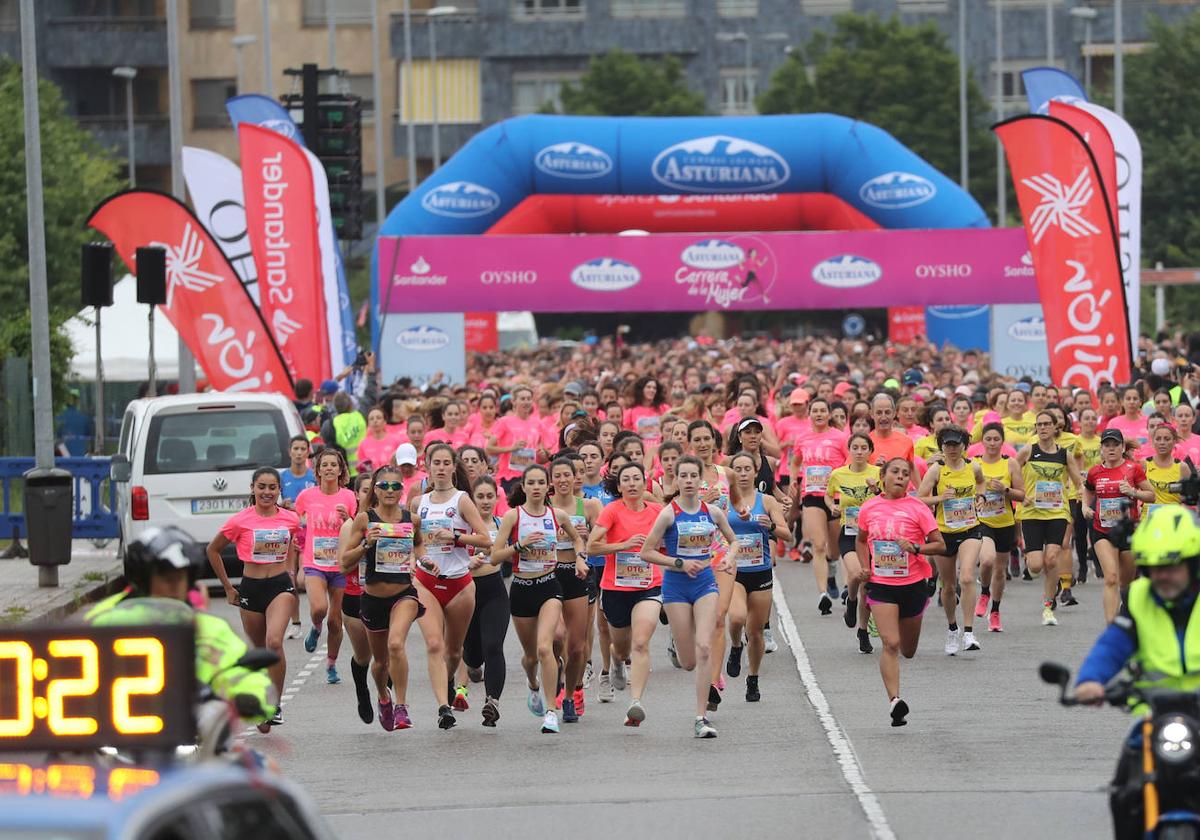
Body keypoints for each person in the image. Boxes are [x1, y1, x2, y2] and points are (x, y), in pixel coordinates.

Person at [1073, 505, 1200, 840]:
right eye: (1153, 567)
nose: (1161, 575)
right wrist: (1089, 681)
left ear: (1192, 563)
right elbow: (1112, 645)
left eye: (1170, 566)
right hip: (1153, 714)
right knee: (1124, 790)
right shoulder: (1139, 597)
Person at [87, 526, 277, 728]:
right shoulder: (107, 620)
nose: (175, 586)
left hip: (190, 732)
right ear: (143, 579)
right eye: (167, 579)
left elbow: (236, 669)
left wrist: (251, 696)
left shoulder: (207, 628)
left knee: (261, 761)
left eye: (181, 578)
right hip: (120, 732)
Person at [338, 464, 446, 731]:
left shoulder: (411, 519)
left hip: (403, 594)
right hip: (373, 598)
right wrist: (366, 544)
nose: (390, 490)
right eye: (384, 486)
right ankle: (384, 698)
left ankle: (401, 706)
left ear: (402, 489)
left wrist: (426, 560)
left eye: (395, 486)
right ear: (375, 489)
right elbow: (344, 563)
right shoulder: (365, 519)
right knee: (380, 663)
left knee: (396, 644)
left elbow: (418, 543)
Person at [640, 454, 738, 737]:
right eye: (683, 476)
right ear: (677, 480)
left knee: (705, 647)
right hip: (676, 586)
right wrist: (679, 563)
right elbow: (647, 552)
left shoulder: (713, 512)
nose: (689, 481)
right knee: (689, 661)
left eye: (693, 476)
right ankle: (678, 641)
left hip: (705, 582)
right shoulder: (669, 513)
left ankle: (700, 717)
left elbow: (733, 542)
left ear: (700, 479)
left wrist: (729, 558)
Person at [846, 458, 945, 727]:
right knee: (890, 644)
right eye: (895, 472)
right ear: (883, 476)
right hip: (882, 585)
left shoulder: (918, 508)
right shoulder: (869, 507)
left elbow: (939, 545)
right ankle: (895, 701)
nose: (900, 477)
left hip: (913, 584)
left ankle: (896, 693)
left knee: (909, 650)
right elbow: (861, 540)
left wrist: (915, 548)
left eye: (905, 473)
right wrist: (865, 565)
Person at [491, 464, 586, 734]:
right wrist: (520, 546)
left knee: (546, 648)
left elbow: (578, 540)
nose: (535, 487)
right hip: (521, 589)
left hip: (549, 586)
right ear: (523, 486)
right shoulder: (513, 517)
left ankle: (551, 712)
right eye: (530, 482)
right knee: (531, 657)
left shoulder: (556, 515)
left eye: (540, 482)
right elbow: (495, 556)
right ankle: (533, 683)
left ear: (548, 487)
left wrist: (580, 557)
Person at [207, 467, 301, 730]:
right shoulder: (240, 521)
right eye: (262, 487)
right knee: (261, 651)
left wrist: (291, 574)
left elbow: (292, 545)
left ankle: (275, 704)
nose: (267, 492)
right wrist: (227, 588)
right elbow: (213, 550)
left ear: (279, 490)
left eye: (272, 487)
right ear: (253, 489)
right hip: (250, 589)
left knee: (274, 642)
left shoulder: (290, 519)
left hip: (280, 587)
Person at [412, 443, 493, 717]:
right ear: (427, 466)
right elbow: (414, 542)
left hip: (459, 584)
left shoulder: (461, 500)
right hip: (426, 583)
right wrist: (422, 559)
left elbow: (485, 540)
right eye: (437, 463)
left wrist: (456, 538)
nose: (442, 468)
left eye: (447, 463)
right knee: (434, 643)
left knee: (454, 651)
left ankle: (449, 680)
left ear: (453, 467)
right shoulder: (417, 503)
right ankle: (443, 707)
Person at [587, 461, 664, 728]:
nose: (632, 484)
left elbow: (673, 540)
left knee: (641, 643)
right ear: (619, 487)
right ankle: (617, 660)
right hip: (615, 589)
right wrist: (624, 545)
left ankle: (635, 703)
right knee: (621, 646)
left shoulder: (657, 511)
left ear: (645, 484)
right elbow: (592, 547)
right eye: (626, 480)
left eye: (637, 479)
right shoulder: (611, 511)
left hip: (649, 586)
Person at [723, 451, 792, 702]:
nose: (742, 474)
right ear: (731, 473)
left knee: (755, 632)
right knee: (737, 618)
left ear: (755, 472)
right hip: (734, 571)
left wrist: (771, 526)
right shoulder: (723, 501)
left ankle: (753, 678)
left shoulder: (768, 501)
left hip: (760, 571)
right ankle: (735, 646)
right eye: (737, 469)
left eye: (746, 469)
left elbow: (787, 536)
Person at [916, 425, 985, 655]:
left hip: (970, 528)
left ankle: (968, 632)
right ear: (942, 446)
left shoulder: (973, 466)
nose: (952, 449)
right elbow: (920, 499)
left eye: (956, 444)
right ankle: (952, 628)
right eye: (948, 444)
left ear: (964, 445)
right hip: (944, 532)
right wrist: (939, 497)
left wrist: (981, 496)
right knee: (948, 586)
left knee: (966, 577)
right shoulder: (936, 470)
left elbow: (981, 481)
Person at [295, 449, 357, 683]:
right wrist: (297, 546)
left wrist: (347, 519)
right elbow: (295, 522)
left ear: (341, 470)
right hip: (315, 563)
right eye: (325, 465)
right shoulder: (307, 496)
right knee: (319, 609)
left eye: (334, 465)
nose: (329, 468)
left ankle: (331, 664)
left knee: (335, 621)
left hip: (341, 565)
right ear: (318, 470)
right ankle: (315, 626)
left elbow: (358, 526)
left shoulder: (349, 497)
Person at [1017, 411, 1083, 626]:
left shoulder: (1065, 455)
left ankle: (1048, 606)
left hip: (1057, 512)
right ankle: (1036, 568)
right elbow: (1012, 472)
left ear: (1055, 427)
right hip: (1032, 513)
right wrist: (1020, 494)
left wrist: (1080, 495)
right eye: (1039, 424)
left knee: (1052, 559)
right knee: (1036, 566)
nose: (1043, 428)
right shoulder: (1028, 450)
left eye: (1047, 424)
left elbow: (1077, 482)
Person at [548, 457, 601, 723]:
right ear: (551, 480)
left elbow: (602, 538)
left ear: (574, 477)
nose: (563, 480)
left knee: (578, 647)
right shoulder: (543, 508)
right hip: (550, 574)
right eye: (557, 476)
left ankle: (573, 692)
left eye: (567, 475)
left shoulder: (589, 506)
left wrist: (586, 543)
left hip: (578, 574)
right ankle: (555, 670)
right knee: (557, 637)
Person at [1083, 429, 1156, 623]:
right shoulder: (1095, 471)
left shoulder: (1133, 468)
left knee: (1126, 584)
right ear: (1101, 449)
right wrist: (1084, 506)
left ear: (1122, 447)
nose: (1111, 448)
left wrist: (1133, 492)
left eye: (1115, 445)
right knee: (1111, 578)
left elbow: (1151, 495)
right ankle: (1111, 627)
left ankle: (1126, 610)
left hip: (1127, 531)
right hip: (1102, 530)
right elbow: (1088, 490)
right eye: (1107, 445)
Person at [790, 398, 849, 614]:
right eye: (815, 411)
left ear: (829, 414)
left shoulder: (840, 437)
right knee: (818, 545)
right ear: (809, 414)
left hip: (834, 496)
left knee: (835, 549)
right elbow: (795, 462)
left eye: (823, 410)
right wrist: (794, 480)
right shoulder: (803, 438)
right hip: (811, 496)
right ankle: (823, 593)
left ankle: (832, 569)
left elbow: (850, 463)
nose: (819, 414)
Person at [826, 433, 882, 653]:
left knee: (867, 583)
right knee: (858, 573)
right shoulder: (838, 474)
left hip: (872, 535)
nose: (859, 451)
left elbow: (888, 498)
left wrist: (876, 489)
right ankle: (850, 600)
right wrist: (832, 506)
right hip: (849, 533)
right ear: (849, 450)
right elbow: (828, 495)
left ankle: (862, 630)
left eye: (863, 448)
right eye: (855, 447)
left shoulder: (878, 473)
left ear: (870, 451)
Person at [462, 475, 508, 727]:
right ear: (471, 500)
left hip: (494, 591)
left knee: (493, 646)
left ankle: (493, 702)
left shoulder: (502, 524)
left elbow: (514, 553)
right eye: (480, 496)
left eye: (490, 496)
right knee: (473, 653)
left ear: (497, 498)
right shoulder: (462, 526)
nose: (485, 501)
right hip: (466, 592)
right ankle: (470, 664)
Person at [974, 422, 1025, 632]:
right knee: (986, 560)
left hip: (1005, 521)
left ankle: (995, 611)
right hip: (982, 520)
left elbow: (1021, 495)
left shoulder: (1010, 463)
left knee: (1000, 570)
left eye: (996, 439)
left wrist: (1005, 489)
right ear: (982, 441)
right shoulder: (974, 463)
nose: (992, 443)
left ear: (1002, 442)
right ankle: (984, 592)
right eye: (989, 439)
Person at [336, 472, 377, 724]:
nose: (371, 495)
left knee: (388, 651)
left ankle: (387, 694)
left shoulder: (392, 524)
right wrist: (365, 546)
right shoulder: (349, 526)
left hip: (385, 595)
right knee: (364, 657)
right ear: (356, 495)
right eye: (365, 490)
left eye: (374, 490)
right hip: (355, 596)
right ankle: (363, 691)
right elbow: (342, 564)